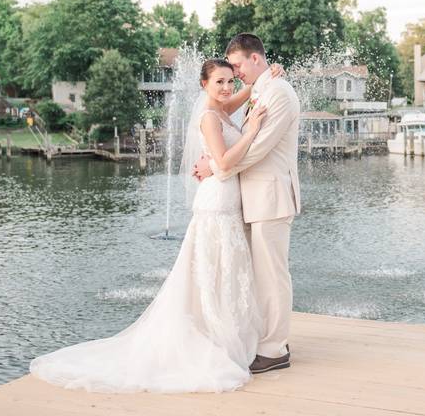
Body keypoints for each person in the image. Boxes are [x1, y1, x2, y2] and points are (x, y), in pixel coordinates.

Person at [29, 58, 270, 393]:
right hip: (216, 203)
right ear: (204, 85)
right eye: (219, 82)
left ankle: (228, 335)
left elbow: (241, 96)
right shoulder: (209, 118)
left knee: (223, 273)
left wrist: (266, 76)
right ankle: (215, 339)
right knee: (212, 273)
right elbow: (227, 164)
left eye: (230, 81)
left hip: (227, 203)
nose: (227, 88)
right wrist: (253, 131)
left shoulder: (224, 108)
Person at [193, 33, 301, 374]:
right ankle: (264, 338)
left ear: (255, 58)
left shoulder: (279, 93)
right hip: (248, 197)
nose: (235, 74)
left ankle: (274, 349)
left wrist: (215, 164)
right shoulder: (262, 87)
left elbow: (258, 149)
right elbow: (227, 113)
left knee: (272, 275)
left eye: (238, 65)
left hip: (270, 197)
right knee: (256, 275)